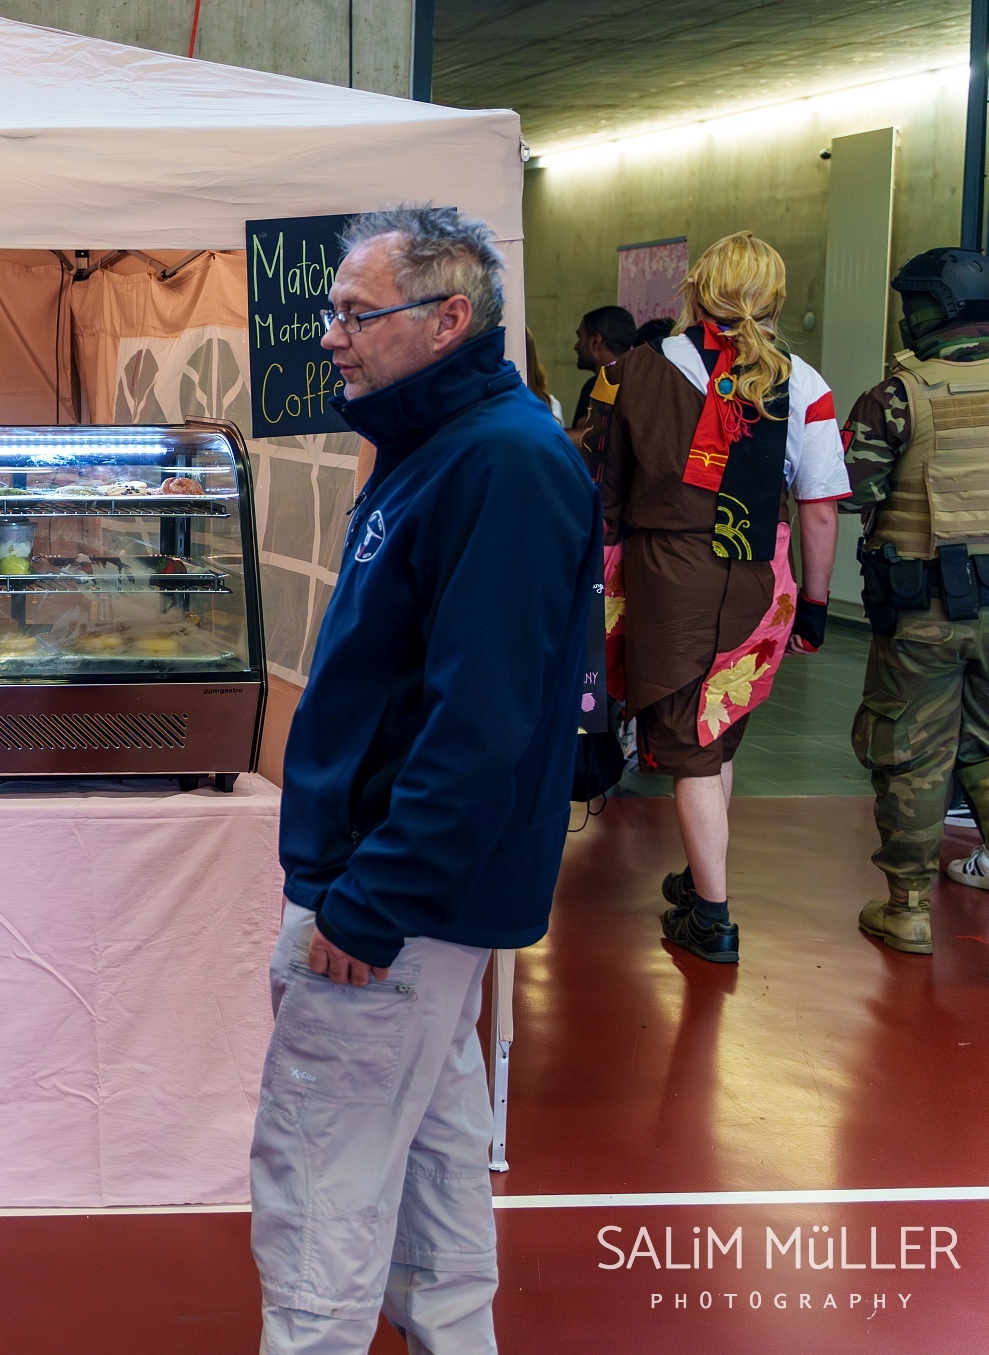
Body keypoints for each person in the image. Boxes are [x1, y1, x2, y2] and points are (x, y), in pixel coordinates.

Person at [252, 206, 599, 1355]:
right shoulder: (435, 446)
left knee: (322, 1175)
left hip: (392, 903)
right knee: (436, 1158)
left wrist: (374, 900)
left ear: (448, 319)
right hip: (403, 896)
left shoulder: (500, 462)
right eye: (333, 312)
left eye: (357, 314)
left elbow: (481, 719)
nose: (331, 337)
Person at [599, 232, 846, 965]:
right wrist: (816, 606)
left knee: (693, 748)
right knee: (717, 727)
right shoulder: (806, 383)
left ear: (697, 289)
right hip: (757, 581)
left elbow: (605, 492)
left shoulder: (632, 370)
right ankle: (700, 872)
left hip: (667, 576)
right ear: (776, 298)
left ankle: (712, 917)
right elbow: (820, 510)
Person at [841, 247, 989, 953]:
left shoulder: (897, 396)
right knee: (984, 746)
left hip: (926, 610)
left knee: (912, 754)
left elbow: (853, 490)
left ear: (934, 310)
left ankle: (908, 909)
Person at [567, 304, 639, 444]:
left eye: (580, 337)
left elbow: (587, 439)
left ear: (596, 341)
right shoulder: (643, 382)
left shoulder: (597, 385)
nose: (576, 346)